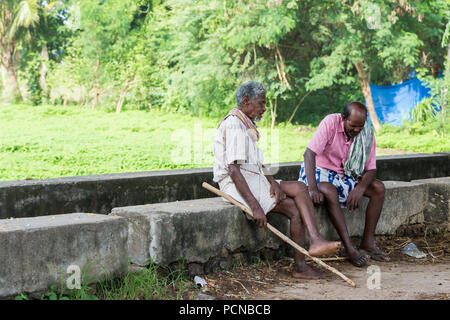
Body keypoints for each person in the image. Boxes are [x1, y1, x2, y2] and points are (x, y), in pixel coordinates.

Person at [212, 81, 340, 279]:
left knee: (299, 187)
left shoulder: (245, 122)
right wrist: (255, 206)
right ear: (246, 101)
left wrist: (272, 182)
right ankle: (302, 263)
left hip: (252, 176)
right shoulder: (234, 125)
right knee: (294, 210)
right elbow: (234, 171)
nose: (264, 108)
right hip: (235, 183)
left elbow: (256, 163)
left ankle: (314, 242)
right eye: (261, 103)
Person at [300, 102, 390, 267]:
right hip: (318, 172)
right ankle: (349, 248)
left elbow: (370, 170)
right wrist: (312, 189)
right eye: (352, 125)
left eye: (360, 127)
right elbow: (309, 154)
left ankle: (368, 243)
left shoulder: (367, 133)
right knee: (329, 190)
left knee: (378, 188)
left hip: (345, 175)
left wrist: (360, 189)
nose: (356, 130)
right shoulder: (331, 122)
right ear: (343, 119)